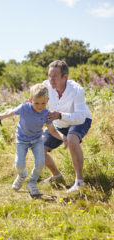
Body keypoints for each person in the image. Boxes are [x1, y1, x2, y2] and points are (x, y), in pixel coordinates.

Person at [0, 83, 64, 196]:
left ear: (47, 100)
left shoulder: (47, 114)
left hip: (37, 140)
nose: (40, 106)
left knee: (40, 163)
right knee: (19, 164)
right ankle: (22, 176)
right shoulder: (24, 108)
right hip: (22, 140)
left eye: (43, 103)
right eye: (36, 103)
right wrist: (1, 116)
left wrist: (64, 138)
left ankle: (31, 182)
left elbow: (53, 131)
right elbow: (11, 112)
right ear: (30, 100)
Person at [43, 60, 92, 193]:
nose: (51, 80)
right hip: (58, 123)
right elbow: (36, 101)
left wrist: (60, 115)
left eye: (55, 76)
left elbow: (80, 117)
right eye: (49, 75)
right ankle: (57, 175)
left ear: (65, 77)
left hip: (79, 120)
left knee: (71, 139)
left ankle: (79, 182)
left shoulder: (77, 90)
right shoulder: (45, 87)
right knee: (39, 148)